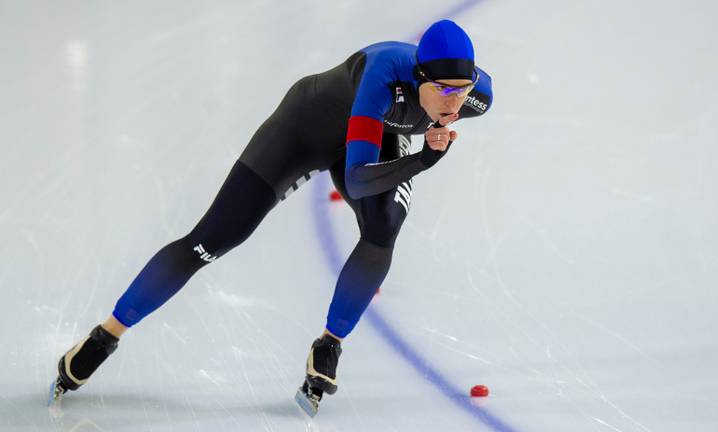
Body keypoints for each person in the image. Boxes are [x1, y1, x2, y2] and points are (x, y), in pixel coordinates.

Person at [51, 19, 493, 412]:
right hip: (304, 129)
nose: (455, 102)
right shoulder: (383, 78)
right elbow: (358, 181)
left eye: (463, 88)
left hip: (372, 138)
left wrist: (421, 148)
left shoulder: (476, 97)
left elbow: (373, 170)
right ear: (419, 79)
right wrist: (422, 161)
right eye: (443, 90)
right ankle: (105, 335)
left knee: (382, 230)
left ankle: (329, 344)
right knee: (213, 239)